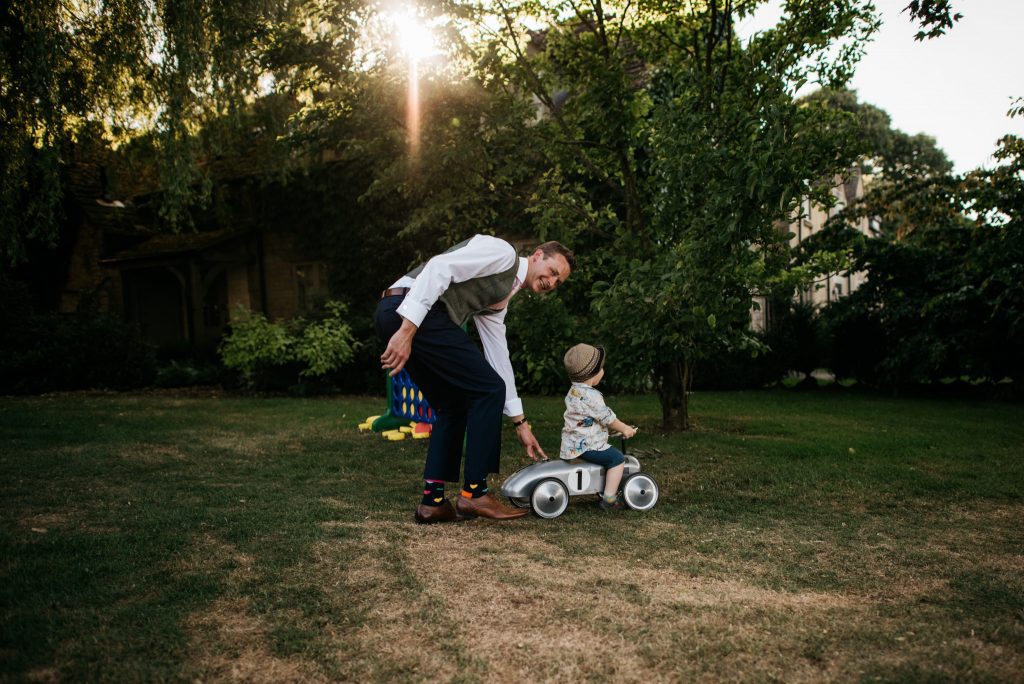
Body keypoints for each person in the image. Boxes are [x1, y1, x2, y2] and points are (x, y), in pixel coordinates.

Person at [375, 234, 575, 524]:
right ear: (537, 255)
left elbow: (498, 355)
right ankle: (474, 493)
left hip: (398, 314)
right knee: (488, 389)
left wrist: (521, 423)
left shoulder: (500, 298)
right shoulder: (503, 253)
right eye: (552, 272)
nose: (551, 282)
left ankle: (432, 503)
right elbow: (439, 268)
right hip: (409, 310)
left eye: (558, 282)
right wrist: (407, 330)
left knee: (452, 404)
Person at [559, 343, 638, 510]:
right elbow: (607, 418)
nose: (603, 371)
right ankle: (609, 499)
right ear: (593, 374)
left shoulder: (573, 391)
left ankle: (603, 487)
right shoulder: (591, 396)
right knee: (616, 459)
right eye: (601, 368)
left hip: (572, 445)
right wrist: (624, 428)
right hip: (588, 445)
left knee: (607, 457)